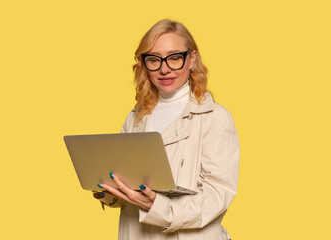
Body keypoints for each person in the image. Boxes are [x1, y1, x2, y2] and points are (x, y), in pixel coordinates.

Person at [94, 19, 239, 240]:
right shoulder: (135, 118)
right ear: (144, 64)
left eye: (174, 58)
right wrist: (111, 191)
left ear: (192, 60)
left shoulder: (215, 117)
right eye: (154, 59)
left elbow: (217, 196)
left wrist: (159, 207)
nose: (164, 69)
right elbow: (129, 188)